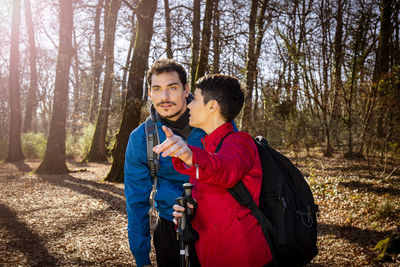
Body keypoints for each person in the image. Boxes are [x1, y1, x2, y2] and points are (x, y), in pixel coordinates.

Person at [153, 74, 273, 267]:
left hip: (243, 257)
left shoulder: (240, 142)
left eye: (195, 99)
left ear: (212, 106)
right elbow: (216, 203)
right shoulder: (209, 149)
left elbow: (225, 171)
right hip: (211, 256)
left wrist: (189, 155)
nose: (189, 105)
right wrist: (188, 213)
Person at [124, 59, 203, 267]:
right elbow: (136, 200)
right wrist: (141, 258)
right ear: (150, 93)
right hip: (169, 227)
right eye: (157, 89)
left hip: (220, 224)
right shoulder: (141, 138)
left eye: (172, 88)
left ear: (186, 90)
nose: (164, 97)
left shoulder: (214, 121)